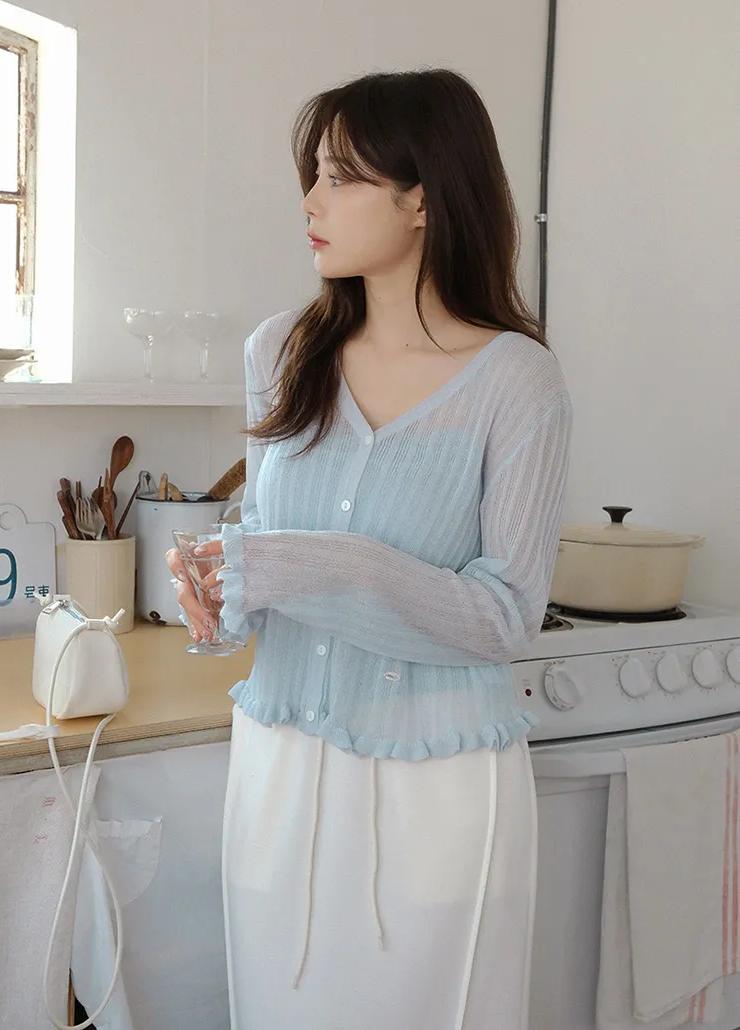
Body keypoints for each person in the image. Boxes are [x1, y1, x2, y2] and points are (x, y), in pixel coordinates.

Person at [165, 67, 572, 1030]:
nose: (311, 201)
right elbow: (269, 562)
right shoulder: (280, 351)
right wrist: (223, 601)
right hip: (279, 774)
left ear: (423, 198)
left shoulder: (517, 381)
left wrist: (328, 563)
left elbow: (506, 616)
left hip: (439, 792)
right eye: (312, 174)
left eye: (341, 177)